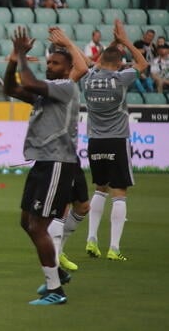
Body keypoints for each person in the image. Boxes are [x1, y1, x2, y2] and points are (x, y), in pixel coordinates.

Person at [3, 26, 87, 305]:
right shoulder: (46, 93)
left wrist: (23, 57)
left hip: (57, 162)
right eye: (49, 62)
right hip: (43, 161)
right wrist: (14, 58)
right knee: (26, 222)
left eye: (55, 63)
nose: (50, 66)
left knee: (38, 226)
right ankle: (57, 273)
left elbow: (27, 81)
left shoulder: (65, 87)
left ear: (67, 69)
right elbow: (11, 88)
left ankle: (55, 290)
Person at [83, 20, 149, 262]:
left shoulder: (88, 78)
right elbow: (143, 63)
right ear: (120, 64)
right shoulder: (121, 79)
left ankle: (91, 238)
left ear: (100, 60)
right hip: (117, 140)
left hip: (94, 141)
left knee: (100, 188)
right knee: (119, 193)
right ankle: (114, 247)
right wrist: (125, 41)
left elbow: (100, 63)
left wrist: (113, 45)